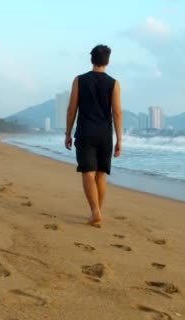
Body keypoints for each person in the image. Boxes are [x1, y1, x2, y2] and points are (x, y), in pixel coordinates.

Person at [65, 44, 123, 226]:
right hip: (105, 134)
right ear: (108, 61)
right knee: (101, 174)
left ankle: (95, 212)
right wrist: (119, 139)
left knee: (87, 173)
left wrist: (68, 133)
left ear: (91, 60)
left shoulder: (79, 80)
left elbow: (71, 108)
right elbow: (117, 113)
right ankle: (97, 211)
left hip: (85, 132)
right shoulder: (114, 83)